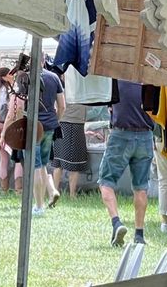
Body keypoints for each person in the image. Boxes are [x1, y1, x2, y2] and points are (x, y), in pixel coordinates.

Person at [100, 81, 156, 246]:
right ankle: (139, 235)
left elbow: (108, 104)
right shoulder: (151, 80)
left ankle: (116, 223)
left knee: (106, 181)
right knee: (141, 187)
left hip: (121, 134)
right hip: (146, 135)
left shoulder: (117, 78)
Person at [29, 63, 64, 214]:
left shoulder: (26, 78)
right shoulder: (54, 77)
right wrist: (56, 120)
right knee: (43, 164)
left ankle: (38, 205)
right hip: (49, 125)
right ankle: (48, 194)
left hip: (33, 125)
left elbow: (21, 104)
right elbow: (62, 106)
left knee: (35, 167)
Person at [52, 103, 89, 198]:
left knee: (58, 162)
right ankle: (72, 195)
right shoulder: (80, 89)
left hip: (61, 123)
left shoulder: (64, 88)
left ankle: (54, 191)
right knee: (75, 163)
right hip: (74, 123)